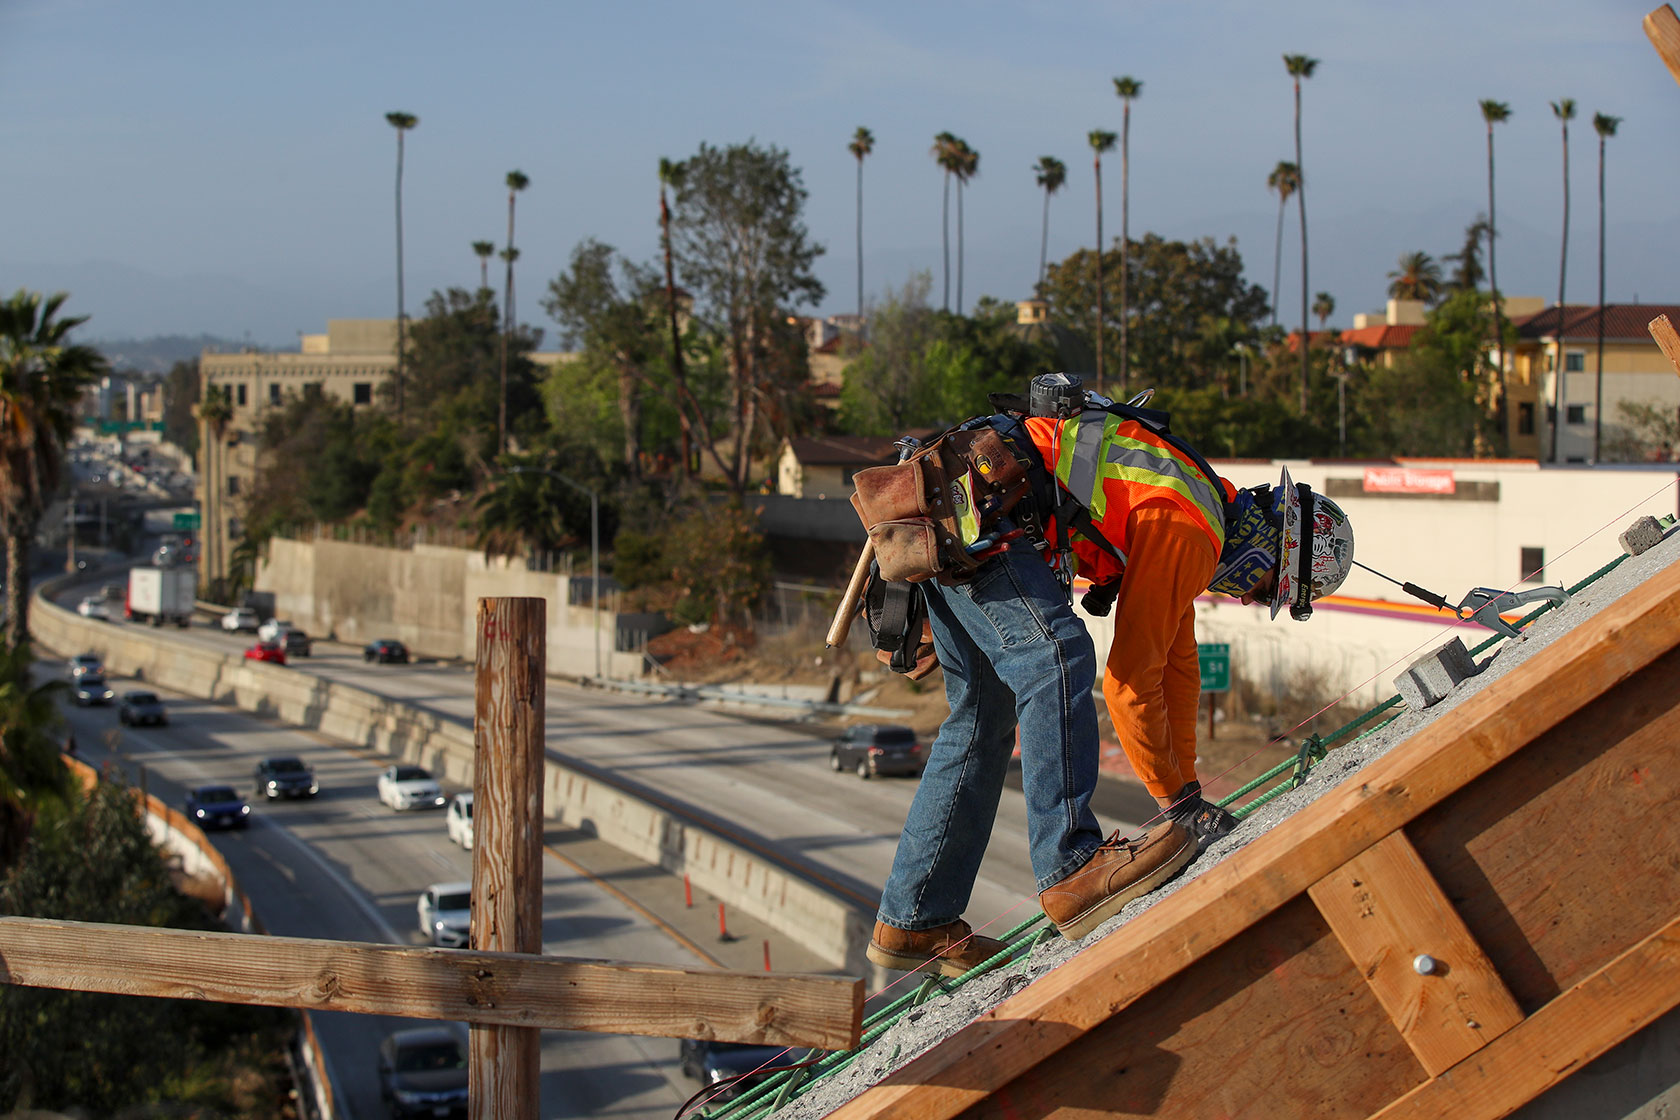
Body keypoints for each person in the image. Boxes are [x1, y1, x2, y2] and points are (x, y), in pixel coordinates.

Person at [865, 373, 1355, 975]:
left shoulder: (1195, 505)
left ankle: (914, 919)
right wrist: (1175, 801)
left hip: (948, 503)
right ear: (1267, 551)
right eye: (1261, 589)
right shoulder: (1193, 528)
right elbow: (1128, 681)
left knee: (981, 717)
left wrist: (1187, 793)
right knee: (1057, 657)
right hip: (978, 508)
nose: (1249, 599)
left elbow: (1176, 668)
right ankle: (1071, 867)